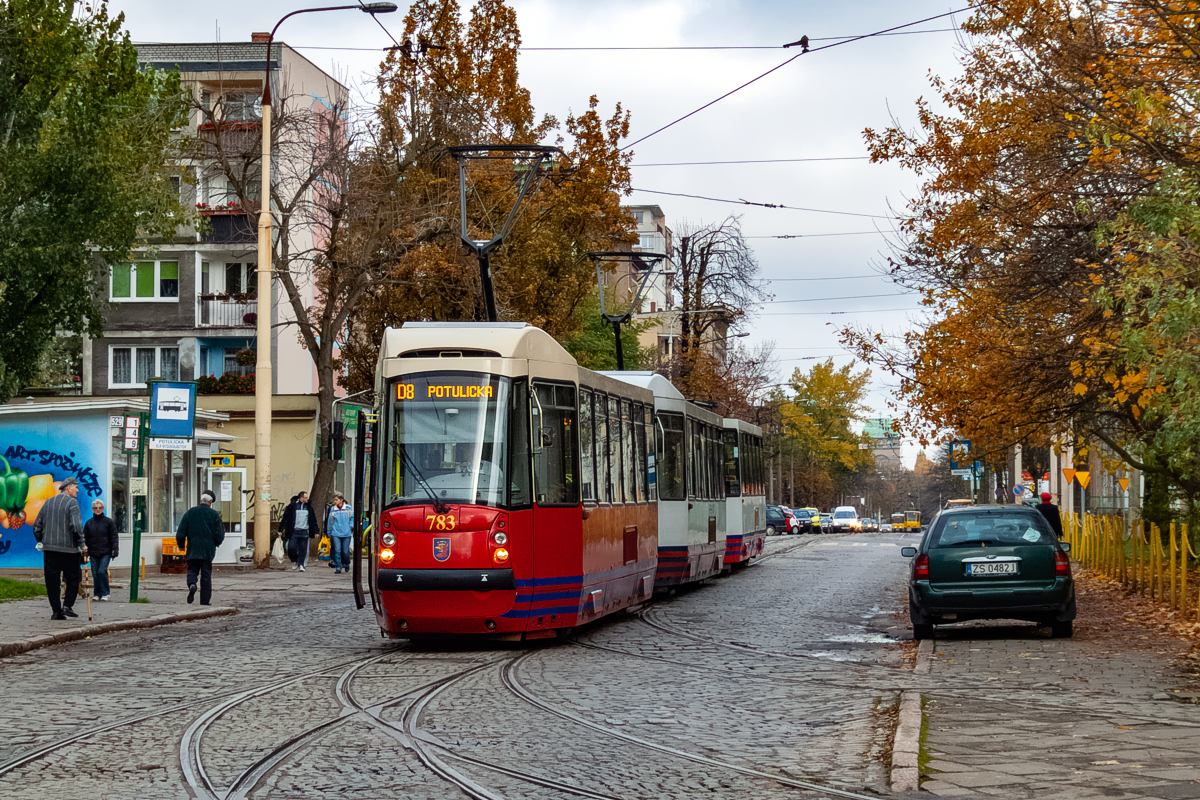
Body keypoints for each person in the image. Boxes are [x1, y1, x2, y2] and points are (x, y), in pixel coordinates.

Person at [33, 477, 85, 620]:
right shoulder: (72, 503)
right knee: (74, 578)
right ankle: (67, 606)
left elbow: (37, 526)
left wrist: (42, 542)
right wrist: (82, 544)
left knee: (52, 581)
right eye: (76, 487)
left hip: (50, 550)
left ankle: (56, 612)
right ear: (68, 488)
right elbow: (76, 526)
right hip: (69, 550)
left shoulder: (48, 502)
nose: (77, 490)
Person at [176, 490, 225, 605]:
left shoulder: (190, 513)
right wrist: (216, 543)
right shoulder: (214, 515)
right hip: (207, 550)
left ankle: (192, 584)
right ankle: (204, 601)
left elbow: (181, 532)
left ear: (200, 501)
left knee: (192, 569)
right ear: (211, 501)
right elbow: (220, 533)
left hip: (193, 549)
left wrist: (181, 545)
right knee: (206, 575)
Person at [83, 499, 119, 601]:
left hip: (106, 551)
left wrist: (115, 550)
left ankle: (105, 593)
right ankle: (97, 593)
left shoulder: (108, 522)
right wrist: (84, 549)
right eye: (95, 508)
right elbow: (84, 537)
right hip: (93, 552)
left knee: (102, 571)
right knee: (95, 573)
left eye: (100, 508)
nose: (98, 510)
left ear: (103, 509)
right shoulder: (89, 523)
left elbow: (114, 537)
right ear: (92, 509)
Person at [280, 491, 319, 571]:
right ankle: (295, 561)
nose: (307, 499)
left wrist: (316, 531)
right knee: (291, 547)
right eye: (305, 497)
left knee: (303, 549)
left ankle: (301, 564)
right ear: (300, 498)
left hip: (304, 531)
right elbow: (285, 518)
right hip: (294, 531)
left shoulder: (309, 507)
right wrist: (280, 529)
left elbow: (313, 520)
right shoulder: (292, 507)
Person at [326, 492, 353, 575]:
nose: (335, 501)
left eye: (336, 500)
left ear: (341, 500)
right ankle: (338, 566)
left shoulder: (348, 508)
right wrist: (329, 532)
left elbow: (352, 518)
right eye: (334, 500)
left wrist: (350, 526)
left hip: (346, 533)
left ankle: (346, 563)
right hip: (336, 533)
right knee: (337, 550)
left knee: (345, 551)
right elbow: (330, 521)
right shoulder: (333, 509)